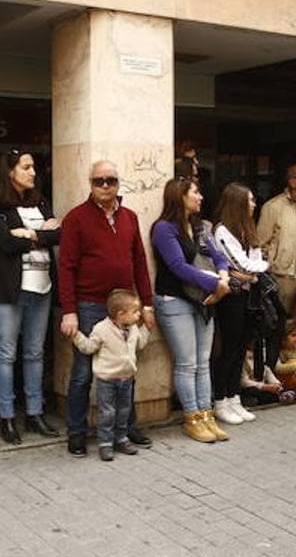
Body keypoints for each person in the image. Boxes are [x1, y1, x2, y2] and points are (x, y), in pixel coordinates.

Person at [58, 161, 156, 456]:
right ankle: (76, 432)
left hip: (126, 307)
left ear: (118, 183)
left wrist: (147, 304)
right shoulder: (76, 218)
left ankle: (125, 429)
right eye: (98, 181)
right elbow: (66, 267)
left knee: (126, 367)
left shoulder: (130, 217)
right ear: (90, 183)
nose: (105, 186)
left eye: (110, 180)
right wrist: (69, 310)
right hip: (89, 305)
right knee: (83, 373)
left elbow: (140, 262)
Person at [0, 150, 61, 445]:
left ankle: (35, 413)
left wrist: (27, 234)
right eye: (26, 167)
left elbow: (58, 234)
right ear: (10, 171)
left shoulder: (39, 200)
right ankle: (7, 416)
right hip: (7, 290)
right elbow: (3, 242)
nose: (33, 172)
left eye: (33, 167)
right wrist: (39, 233)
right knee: (6, 353)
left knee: (35, 353)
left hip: (42, 287)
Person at [151, 177, 232, 443]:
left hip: (203, 300)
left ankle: (207, 414)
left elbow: (219, 255)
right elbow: (178, 267)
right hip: (174, 300)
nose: (200, 197)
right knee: (187, 363)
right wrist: (215, 284)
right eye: (195, 193)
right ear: (180, 196)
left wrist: (223, 277)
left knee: (202, 361)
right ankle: (192, 418)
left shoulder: (199, 226)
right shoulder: (164, 229)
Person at [209, 182, 267, 426]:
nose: (254, 204)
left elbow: (256, 263)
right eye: (250, 200)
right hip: (230, 297)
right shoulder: (222, 231)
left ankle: (235, 397)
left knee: (242, 346)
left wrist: (250, 273)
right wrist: (250, 273)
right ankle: (220, 400)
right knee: (229, 348)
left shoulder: (248, 229)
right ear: (238, 204)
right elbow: (245, 265)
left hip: (247, 295)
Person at [70, 289, 149, 461]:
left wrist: (147, 328)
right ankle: (105, 442)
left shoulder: (133, 328)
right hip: (107, 380)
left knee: (123, 411)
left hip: (126, 378)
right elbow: (89, 347)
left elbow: (140, 344)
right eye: (135, 312)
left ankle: (121, 438)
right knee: (107, 412)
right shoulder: (101, 329)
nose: (138, 315)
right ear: (121, 314)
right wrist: (75, 335)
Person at [257, 162, 296, 328]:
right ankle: (277, 355)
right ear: (293, 182)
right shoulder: (273, 207)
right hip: (283, 276)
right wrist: (271, 268)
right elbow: (261, 243)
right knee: (278, 323)